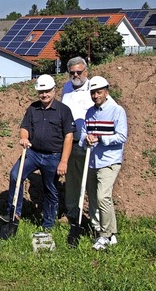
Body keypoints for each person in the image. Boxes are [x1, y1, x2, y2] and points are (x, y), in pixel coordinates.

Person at [1, 74, 74, 231]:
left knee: (50, 188)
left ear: (54, 90)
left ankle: (48, 224)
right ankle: (14, 214)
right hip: (33, 152)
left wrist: (64, 161)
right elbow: (24, 127)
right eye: (41, 92)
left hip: (53, 155)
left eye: (47, 91)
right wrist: (24, 138)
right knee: (16, 175)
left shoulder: (63, 110)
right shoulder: (32, 108)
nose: (44, 95)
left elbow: (69, 137)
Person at [79, 76, 128, 250]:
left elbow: (122, 136)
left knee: (103, 197)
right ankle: (104, 230)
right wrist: (87, 139)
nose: (96, 96)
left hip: (110, 161)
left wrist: (101, 139)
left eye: (99, 92)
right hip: (92, 161)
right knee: (93, 198)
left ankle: (104, 236)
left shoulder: (117, 111)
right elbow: (83, 134)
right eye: (93, 93)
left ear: (106, 92)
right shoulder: (90, 112)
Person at [61, 56, 93, 224]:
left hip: (87, 143)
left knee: (90, 179)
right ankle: (72, 212)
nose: (75, 75)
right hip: (69, 142)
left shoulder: (92, 88)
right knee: (72, 179)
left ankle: (93, 216)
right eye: (72, 72)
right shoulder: (66, 88)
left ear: (85, 71)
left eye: (79, 72)